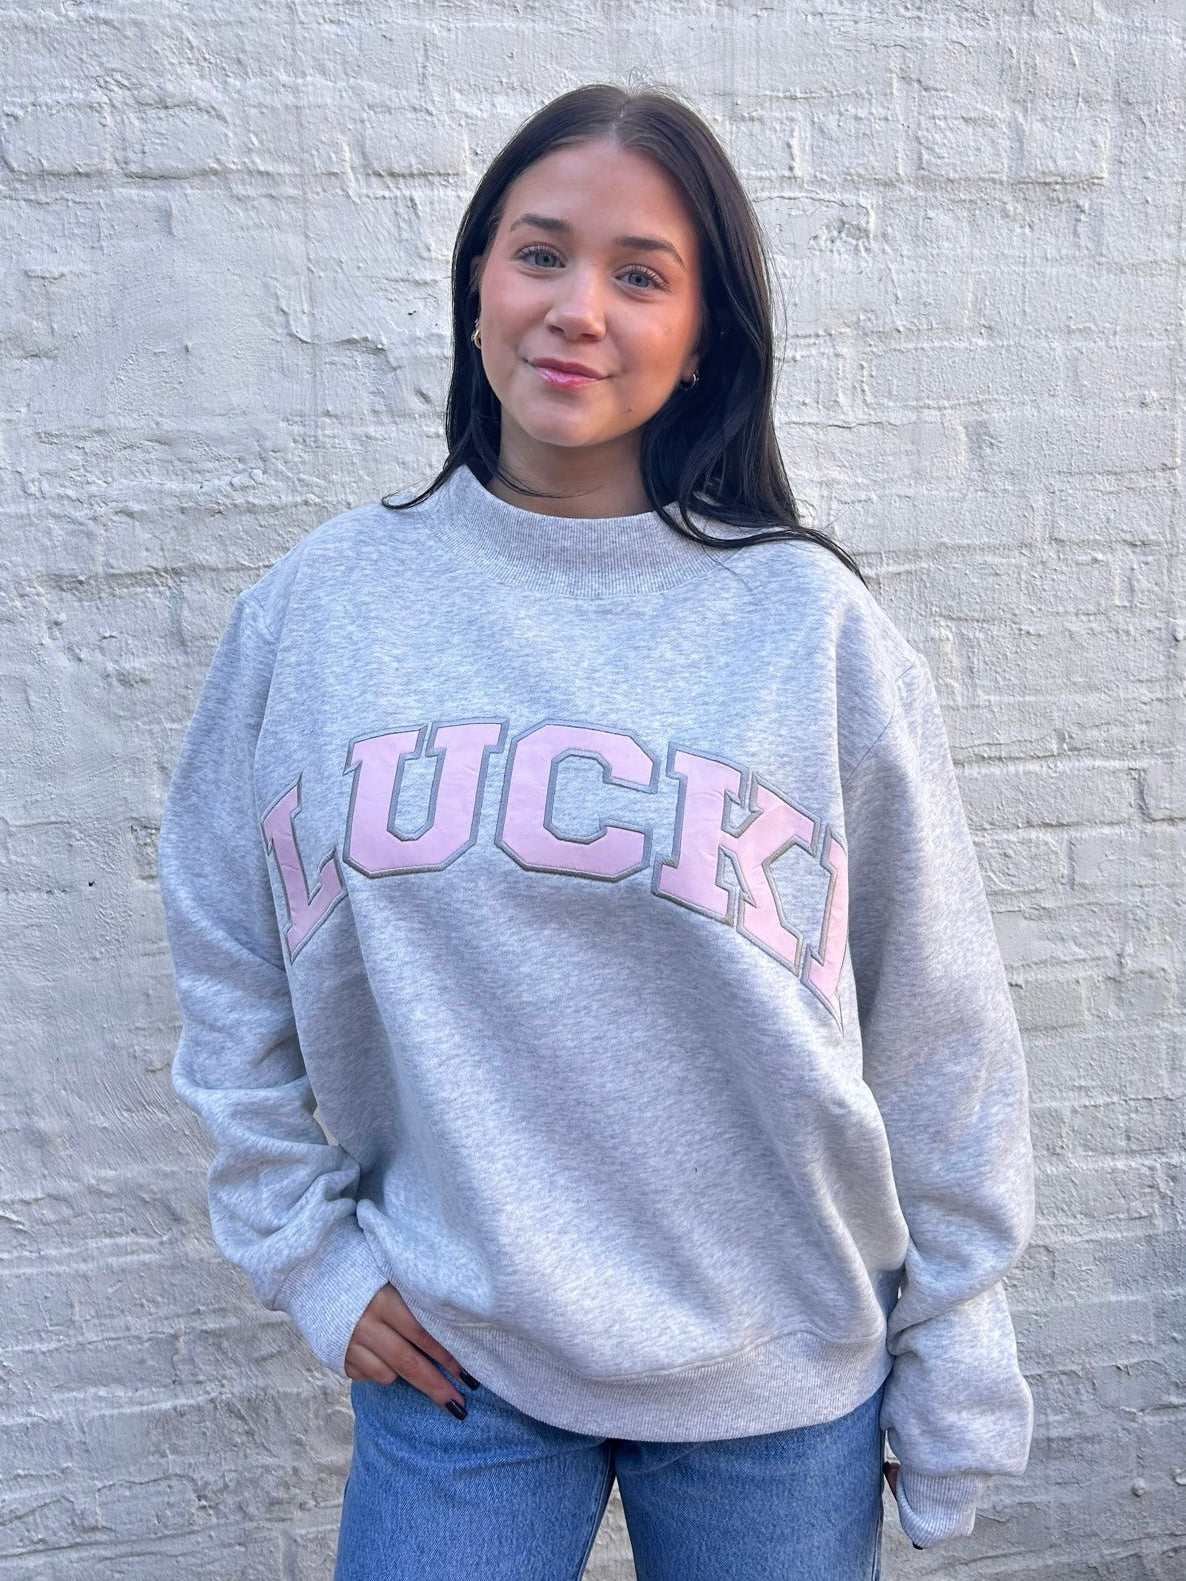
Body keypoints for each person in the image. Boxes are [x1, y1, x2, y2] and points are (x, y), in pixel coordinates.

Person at [158, 82, 1035, 1580]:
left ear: (703, 338)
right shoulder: (321, 610)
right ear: (476, 288)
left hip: (777, 1370)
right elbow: (226, 949)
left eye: (641, 274)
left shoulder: (809, 628)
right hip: (462, 1359)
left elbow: (936, 1015)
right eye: (540, 253)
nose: (577, 309)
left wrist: (956, 1335)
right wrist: (307, 1252)